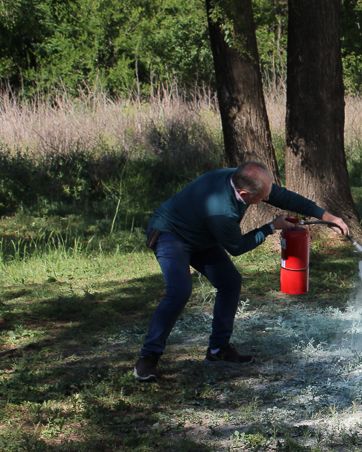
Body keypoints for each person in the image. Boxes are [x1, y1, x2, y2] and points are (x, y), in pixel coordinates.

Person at [134, 161, 350, 382]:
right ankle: (149, 356)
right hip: (172, 234)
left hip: (203, 234)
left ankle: (218, 350)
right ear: (244, 193)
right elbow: (237, 247)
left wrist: (326, 217)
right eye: (262, 197)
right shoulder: (222, 211)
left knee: (229, 282)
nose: (267, 199)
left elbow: (283, 196)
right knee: (179, 291)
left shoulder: (244, 178)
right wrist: (270, 227)